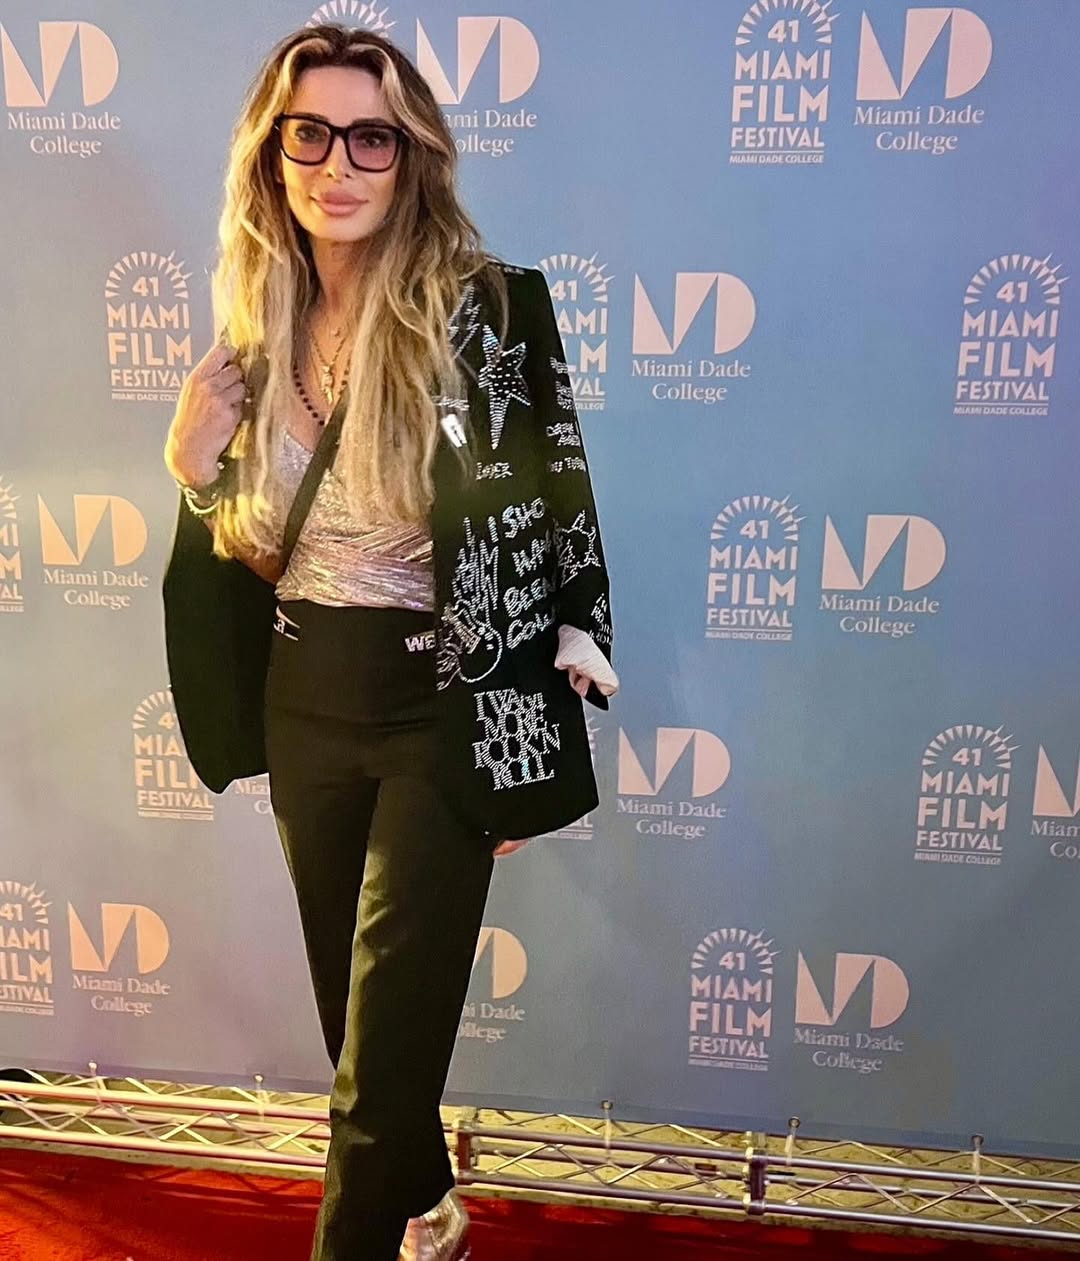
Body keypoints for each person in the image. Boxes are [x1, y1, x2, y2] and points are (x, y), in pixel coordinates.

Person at [162, 24, 617, 1261]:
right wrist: (193, 471)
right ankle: (430, 1203)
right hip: (307, 696)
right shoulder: (254, 329)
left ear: (412, 157)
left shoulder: (488, 309)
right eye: (310, 134)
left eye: (373, 138)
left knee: (372, 1069)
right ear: (272, 154)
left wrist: (535, 711)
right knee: (361, 1035)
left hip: (443, 708)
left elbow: (554, 498)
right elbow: (253, 549)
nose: (339, 164)